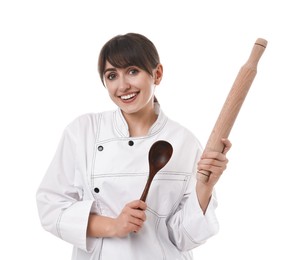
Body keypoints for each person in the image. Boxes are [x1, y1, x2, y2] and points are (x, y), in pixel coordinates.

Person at [36, 33, 232, 260]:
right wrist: (114, 225)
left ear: (157, 74)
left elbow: (184, 238)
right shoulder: (84, 131)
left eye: (132, 71)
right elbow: (50, 208)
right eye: (111, 76)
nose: (122, 86)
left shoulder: (183, 141)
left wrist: (205, 187)